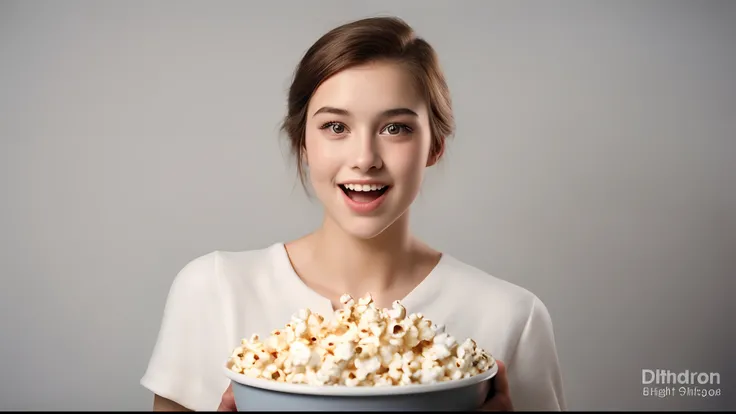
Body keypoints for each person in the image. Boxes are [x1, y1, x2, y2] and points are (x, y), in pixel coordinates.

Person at [140, 16, 567, 412]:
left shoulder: (511, 318)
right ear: (303, 142)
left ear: (435, 144)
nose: (364, 159)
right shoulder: (214, 293)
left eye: (395, 127)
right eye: (336, 127)